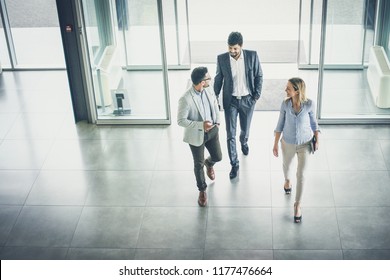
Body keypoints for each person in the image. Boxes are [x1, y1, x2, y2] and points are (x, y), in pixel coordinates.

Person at [214, 31, 263, 179]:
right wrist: (214, 97)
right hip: (231, 102)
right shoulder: (222, 59)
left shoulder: (252, 56)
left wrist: (256, 96)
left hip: (248, 100)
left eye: (235, 48)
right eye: (230, 48)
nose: (232, 51)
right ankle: (234, 164)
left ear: (241, 46)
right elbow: (218, 79)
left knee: (245, 130)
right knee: (230, 134)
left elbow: (259, 75)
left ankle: (244, 141)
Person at [272, 77, 320, 223]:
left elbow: (314, 123)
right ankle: (287, 180)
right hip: (288, 143)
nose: (285, 90)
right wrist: (275, 144)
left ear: (297, 90)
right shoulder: (285, 104)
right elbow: (280, 124)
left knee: (302, 174)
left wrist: (317, 138)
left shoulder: (310, 104)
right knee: (287, 167)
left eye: (288, 88)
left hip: (305, 144)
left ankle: (298, 204)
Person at [177, 67, 222, 207]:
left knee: (218, 157)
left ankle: (210, 164)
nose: (210, 80)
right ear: (202, 82)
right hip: (196, 135)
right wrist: (200, 125)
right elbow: (180, 121)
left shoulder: (209, 89)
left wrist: (218, 122)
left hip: (213, 131)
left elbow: (215, 105)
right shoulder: (185, 99)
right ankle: (202, 190)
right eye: (208, 78)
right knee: (198, 164)